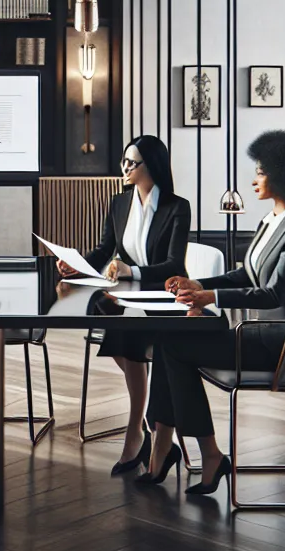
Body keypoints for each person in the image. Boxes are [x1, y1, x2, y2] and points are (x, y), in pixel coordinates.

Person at [138, 130, 285, 495]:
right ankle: (176, 445)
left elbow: (273, 294)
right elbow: (246, 275)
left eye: (261, 172)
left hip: (283, 341)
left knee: (174, 345)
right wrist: (197, 284)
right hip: (254, 334)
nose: (254, 179)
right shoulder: (272, 220)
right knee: (169, 339)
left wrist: (210, 297)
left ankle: (184, 449)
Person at [57, 135, 191, 475]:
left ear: (152, 166)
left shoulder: (177, 207)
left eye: (133, 163)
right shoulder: (119, 203)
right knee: (115, 326)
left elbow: (175, 265)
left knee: (127, 337)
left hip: (165, 297)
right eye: (124, 162)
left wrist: (135, 270)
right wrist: (78, 266)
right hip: (128, 298)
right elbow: (104, 250)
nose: (126, 168)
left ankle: (136, 431)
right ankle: (143, 426)